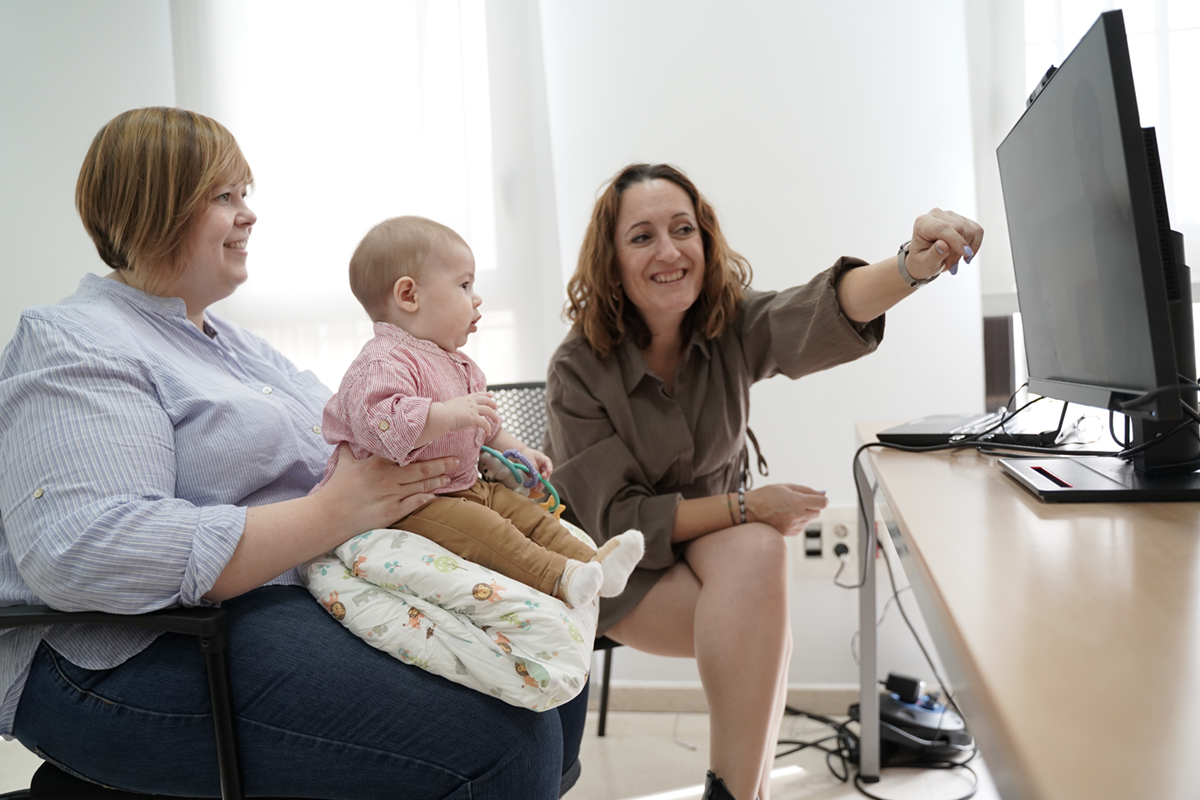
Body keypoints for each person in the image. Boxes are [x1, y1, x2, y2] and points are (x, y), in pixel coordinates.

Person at [0, 107, 585, 799]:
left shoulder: (233, 346)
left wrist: (455, 451)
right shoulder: (74, 340)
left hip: (288, 590)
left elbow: (350, 438)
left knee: (548, 674)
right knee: (499, 743)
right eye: (226, 197)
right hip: (120, 650)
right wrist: (333, 514)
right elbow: (85, 551)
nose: (249, 215)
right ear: (153, 205)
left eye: (245, 194)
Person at [544, 163, 983, 800]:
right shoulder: (576, 369)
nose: (669, 251)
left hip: (721, 554)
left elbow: (822, 308)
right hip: (618, 574)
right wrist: (746, 504)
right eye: (642, 237)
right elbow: (621, 524)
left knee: (758, 555)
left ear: (705, 241)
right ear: (611, 261)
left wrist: (912, 265)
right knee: (758, 600)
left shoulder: (728, 323)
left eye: (682, 229)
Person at [314, 215, 644, 609]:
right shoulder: (384, 361)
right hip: (413, 504)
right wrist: (450, 413)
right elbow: (387, 426)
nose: (477, 297)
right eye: (464, 284)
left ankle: (594, 563)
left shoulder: (458, 363)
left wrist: (521, 452)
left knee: (525, 513)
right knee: (489, 532)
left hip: (466, 485)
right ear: (409, 295)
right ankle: (559, 577)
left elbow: (486, 426)